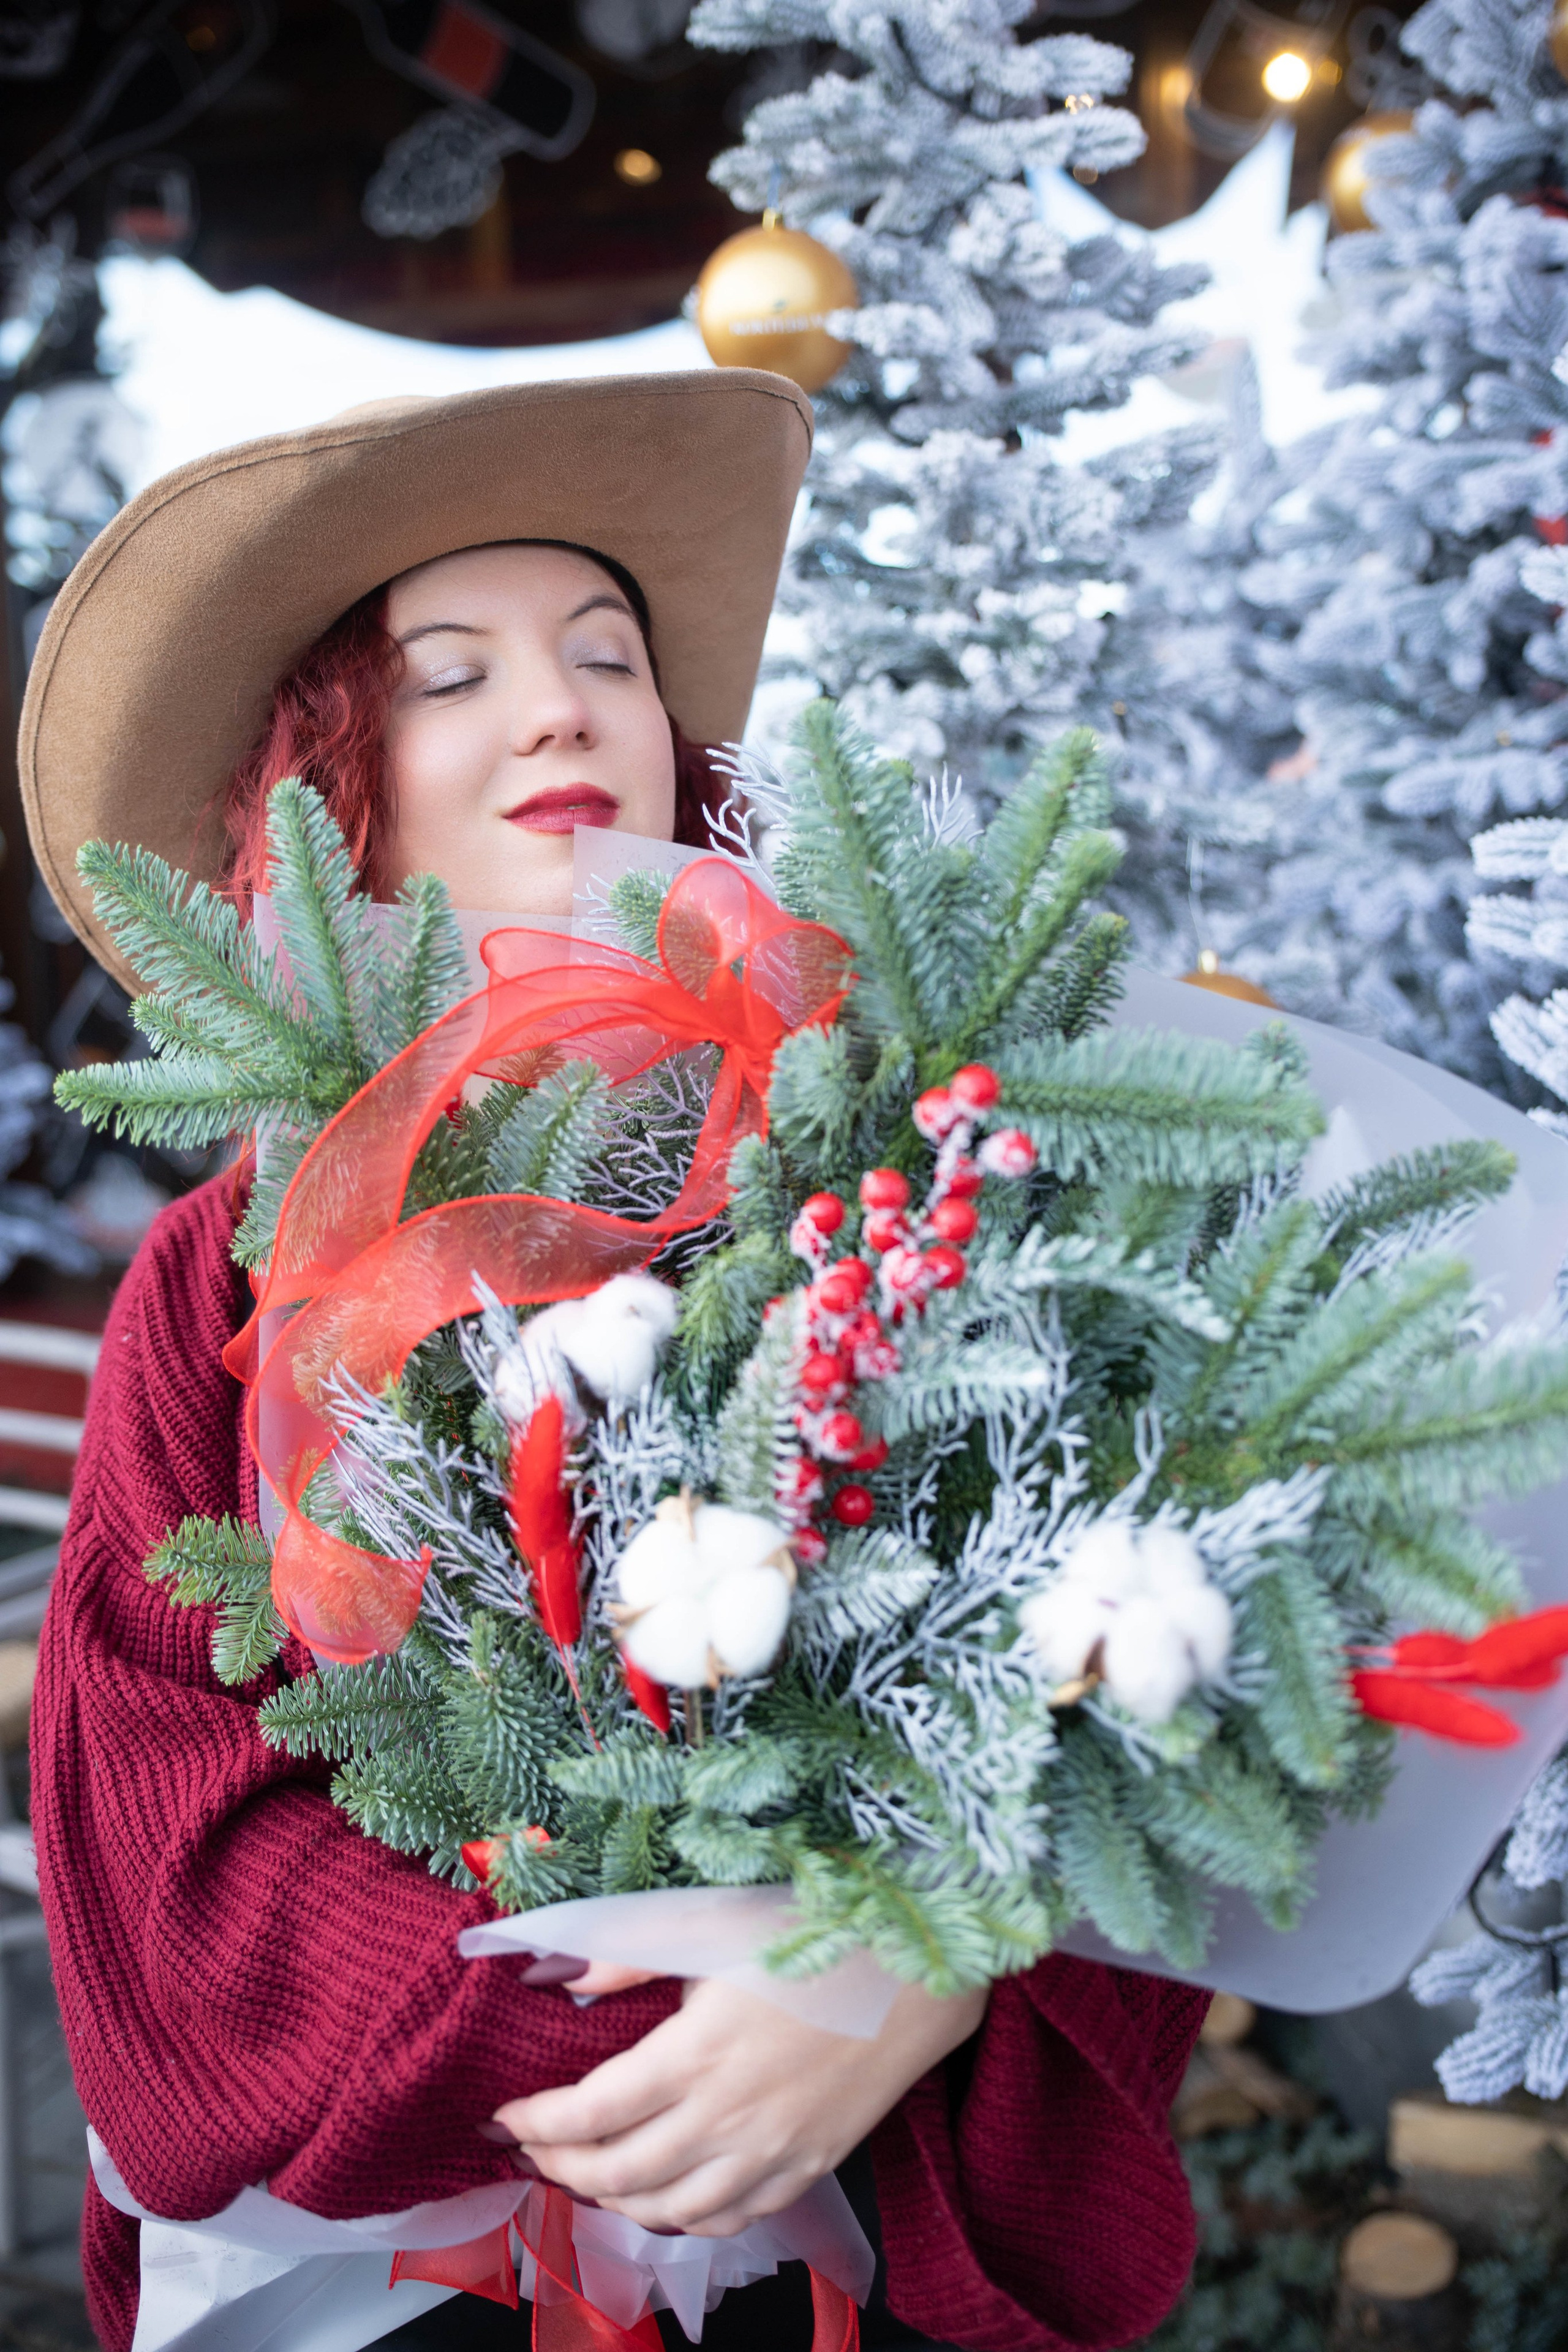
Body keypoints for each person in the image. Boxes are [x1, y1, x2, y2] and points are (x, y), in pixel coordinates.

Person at [21, 374, 1207, 2352]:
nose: (563, 711)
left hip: (863, 2248)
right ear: (327, 784)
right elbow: (168, 1856)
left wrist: (921, 1969)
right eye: (449, 675)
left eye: (607, 655)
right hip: (418, 2279)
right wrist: (681, 2031)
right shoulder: (225, 1272)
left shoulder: (903, 1163)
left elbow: (1173, 1633)